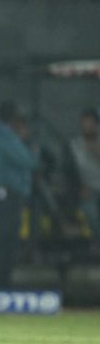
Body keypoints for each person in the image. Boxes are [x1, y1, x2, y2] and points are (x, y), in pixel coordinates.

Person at [0, 102, 39, 289]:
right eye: (19, 119)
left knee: (7, 238)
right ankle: (1, 285)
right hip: (7, 192)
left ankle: (1, 283)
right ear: (13, 119)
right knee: (7, 239)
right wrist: (27, 144)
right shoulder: (6, 137)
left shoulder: (0, 136)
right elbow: (29, 162)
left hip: (5, 192)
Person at [67, 108, 100, 254]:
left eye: (89, 124)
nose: (86, 127)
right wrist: (80, 186)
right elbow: (71, 171)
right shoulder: (75, 145)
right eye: (83, 124)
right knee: (90, 211)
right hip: (88, 187)